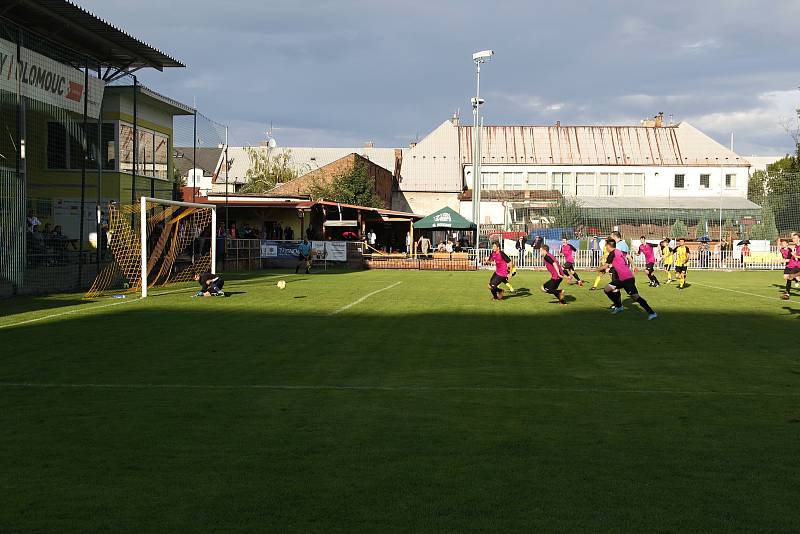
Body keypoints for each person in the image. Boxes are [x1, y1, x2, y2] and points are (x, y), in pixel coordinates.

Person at [600, 238, 657, 320]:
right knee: (607, 289)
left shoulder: (613, 253)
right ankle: (619, 306)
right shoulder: (618, 251)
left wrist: (593, 269)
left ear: (609, 246)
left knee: (635, 297)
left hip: (627, 278)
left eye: (606, 245)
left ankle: (652, 313)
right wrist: (633, 266)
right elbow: (628, 256)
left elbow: (605, 266)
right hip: (621, 279)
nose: (605, 247)